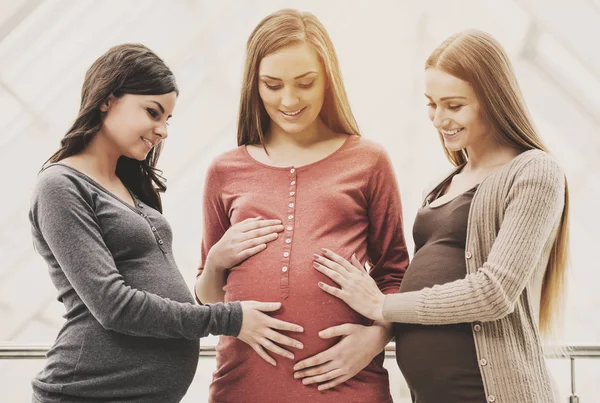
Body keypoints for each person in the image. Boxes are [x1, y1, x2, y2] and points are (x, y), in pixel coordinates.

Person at [29, 43, 302, 403]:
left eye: (167, 119)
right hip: (86, 394)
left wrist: (218, 262)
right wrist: (227, 318)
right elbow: (115, 307)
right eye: (152, 112)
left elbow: (152, 291)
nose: (163, 131)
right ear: (108, 99)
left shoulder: (129, 186)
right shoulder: (61, 186)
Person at [313, 30, 569, 403]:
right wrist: (378, 329)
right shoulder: (442, 185)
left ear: (493, 100)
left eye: (454, 105)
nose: (438, 119)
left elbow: (494, 292)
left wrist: (382, 305)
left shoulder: (533, 172)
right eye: (432, 104)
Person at [194, 9, 409, 403]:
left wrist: (375, 339)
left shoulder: (369, 161)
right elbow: (208, 298)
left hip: (350, 388)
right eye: (272, 85)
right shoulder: (225, 170)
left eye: (305, 83)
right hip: (242, 388)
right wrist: (215, 264)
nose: (289, 100)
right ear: (254, 86)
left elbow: (396, 275)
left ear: (328, 80)